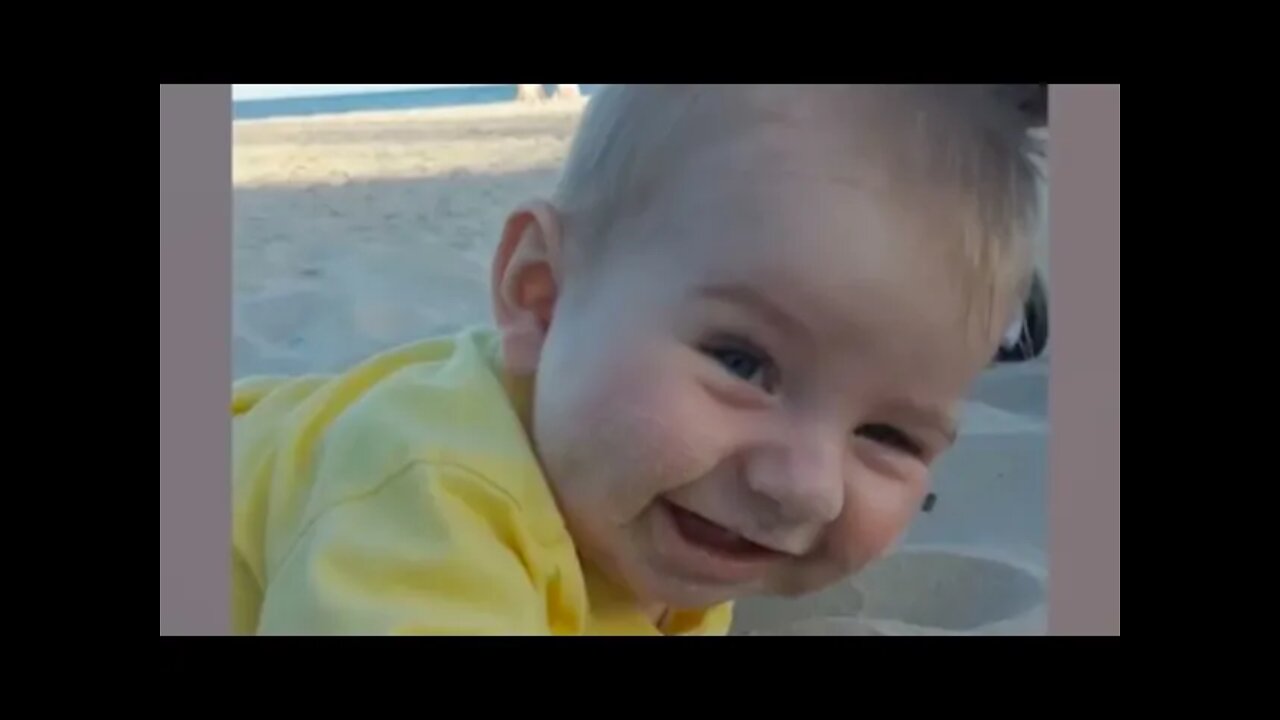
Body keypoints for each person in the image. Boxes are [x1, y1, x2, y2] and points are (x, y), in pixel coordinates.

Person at [231, 84, 1047, 635]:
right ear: (542, 298)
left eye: (889, 436)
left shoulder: (672, 518)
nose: (806, 484)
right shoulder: (427, 493)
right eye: (741, 361)